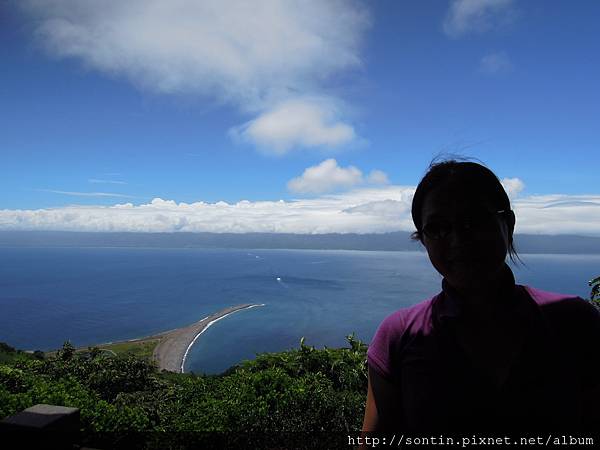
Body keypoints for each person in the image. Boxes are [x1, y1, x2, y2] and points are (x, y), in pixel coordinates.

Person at [361, 159, 600, 435]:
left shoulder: (575, 322)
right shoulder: (398, 336)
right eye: (438, 228)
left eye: (474, 221)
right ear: (423, 239)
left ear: (507, 224)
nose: (458, 239)